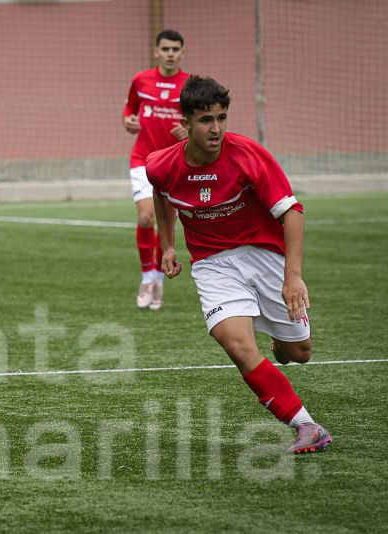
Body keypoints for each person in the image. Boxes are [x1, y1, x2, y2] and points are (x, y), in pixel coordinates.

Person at [146, 75, 332, 454]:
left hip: (265, 256)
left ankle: (281, 340)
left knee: (299, 354)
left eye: (221, 118)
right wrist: (167, 246)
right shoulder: (160, 165)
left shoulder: (249, 155)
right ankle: (305, 425)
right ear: (186, 123)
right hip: (213, 264)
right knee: (234, 342)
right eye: (205, 120)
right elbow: (161, 194)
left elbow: (292, 212)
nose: (215, 129)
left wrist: (292, 277)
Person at [122, 29, 190, 310]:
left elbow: (197, 121)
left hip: (172, 162)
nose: (170, 54)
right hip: (142, 158)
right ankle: (147, 277)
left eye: (175, 49)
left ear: (181, 53)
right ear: (157, 51)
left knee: (165, 223)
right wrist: (129, 121)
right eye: (166, 49)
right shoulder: (141, 80)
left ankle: (160, 280)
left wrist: (186, 132)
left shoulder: (189, 85)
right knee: (146, 218)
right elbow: (129, 110)